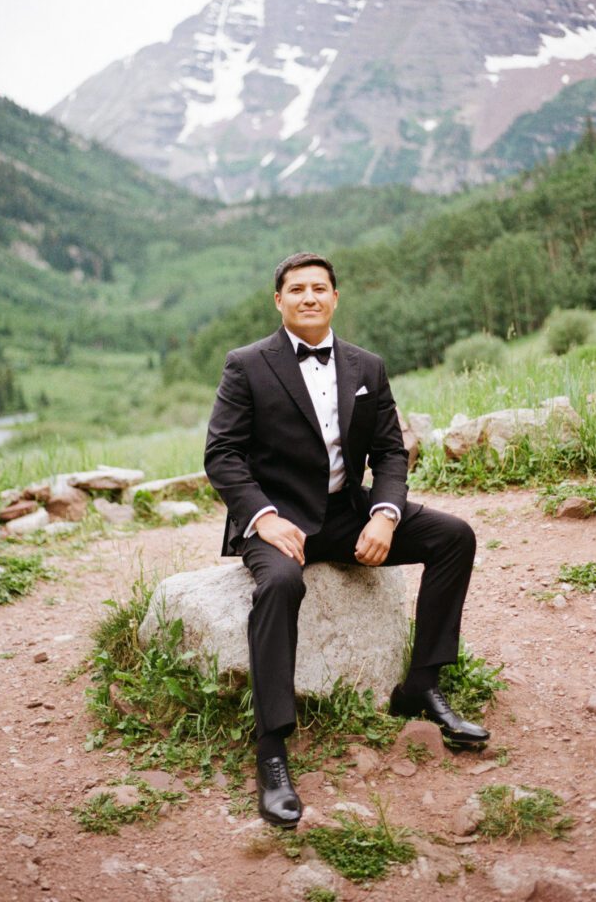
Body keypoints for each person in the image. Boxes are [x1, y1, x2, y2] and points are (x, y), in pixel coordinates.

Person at [204, 252, 488, 828]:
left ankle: (421, 686)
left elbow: (388, 450)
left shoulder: (367, 366)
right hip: (277, 518)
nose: (309, 297)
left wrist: (384, 514)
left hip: (348, 511)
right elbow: (222, 456)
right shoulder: (246, 365)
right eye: (297, 289)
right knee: (281, 584)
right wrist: (261, 516)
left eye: (320, 288)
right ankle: (273, 749)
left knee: (454, 536)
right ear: (278, 300)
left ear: (335, 298)